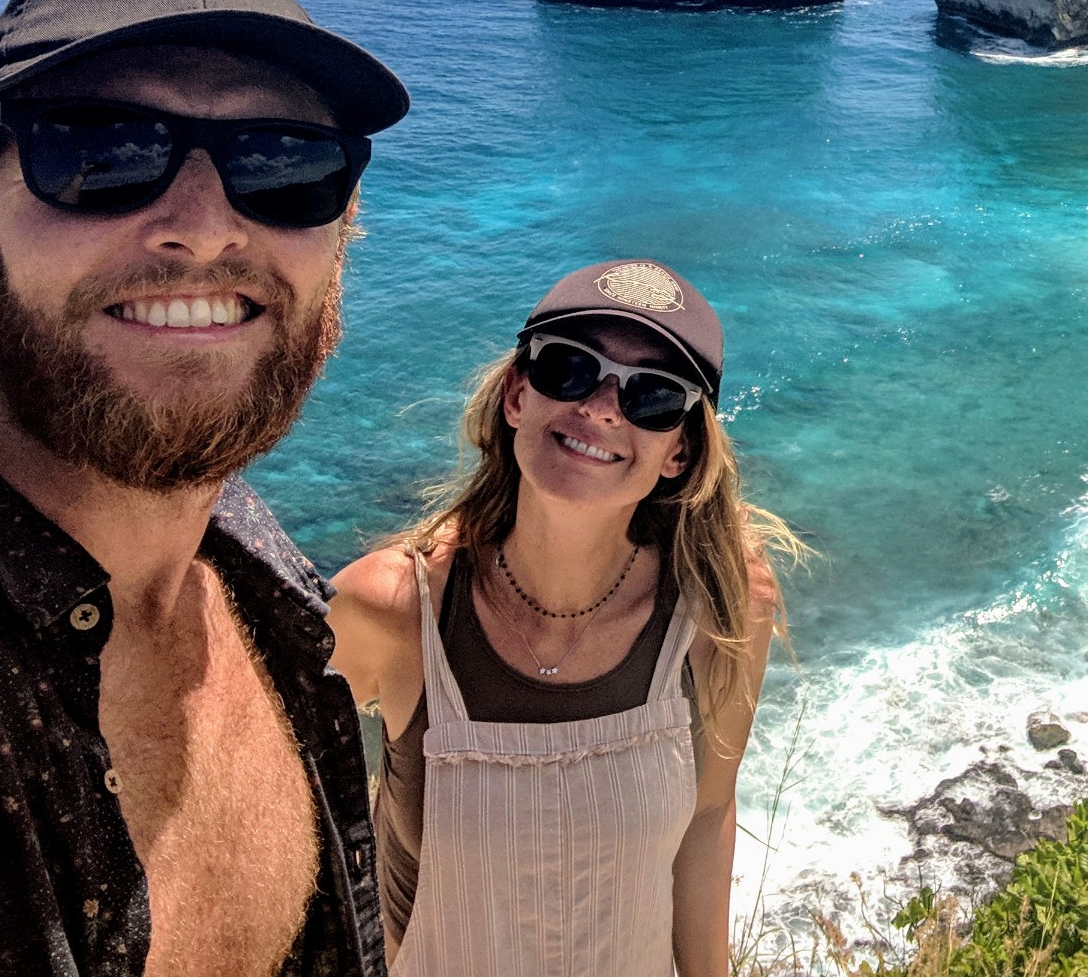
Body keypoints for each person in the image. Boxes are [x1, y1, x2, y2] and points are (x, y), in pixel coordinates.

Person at [0, 0, 407, 977]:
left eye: (281, 162)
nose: (201, 230)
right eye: (101, 150)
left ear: (336, 249)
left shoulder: (269, 581)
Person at [328, 259, 796, 976]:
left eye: (653, 395)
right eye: (571, 368)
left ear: (679, 451)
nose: (605, 407)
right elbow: (273, 814)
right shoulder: (390, 608)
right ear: (518, 394)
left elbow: (707, 816)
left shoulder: (722, 607)